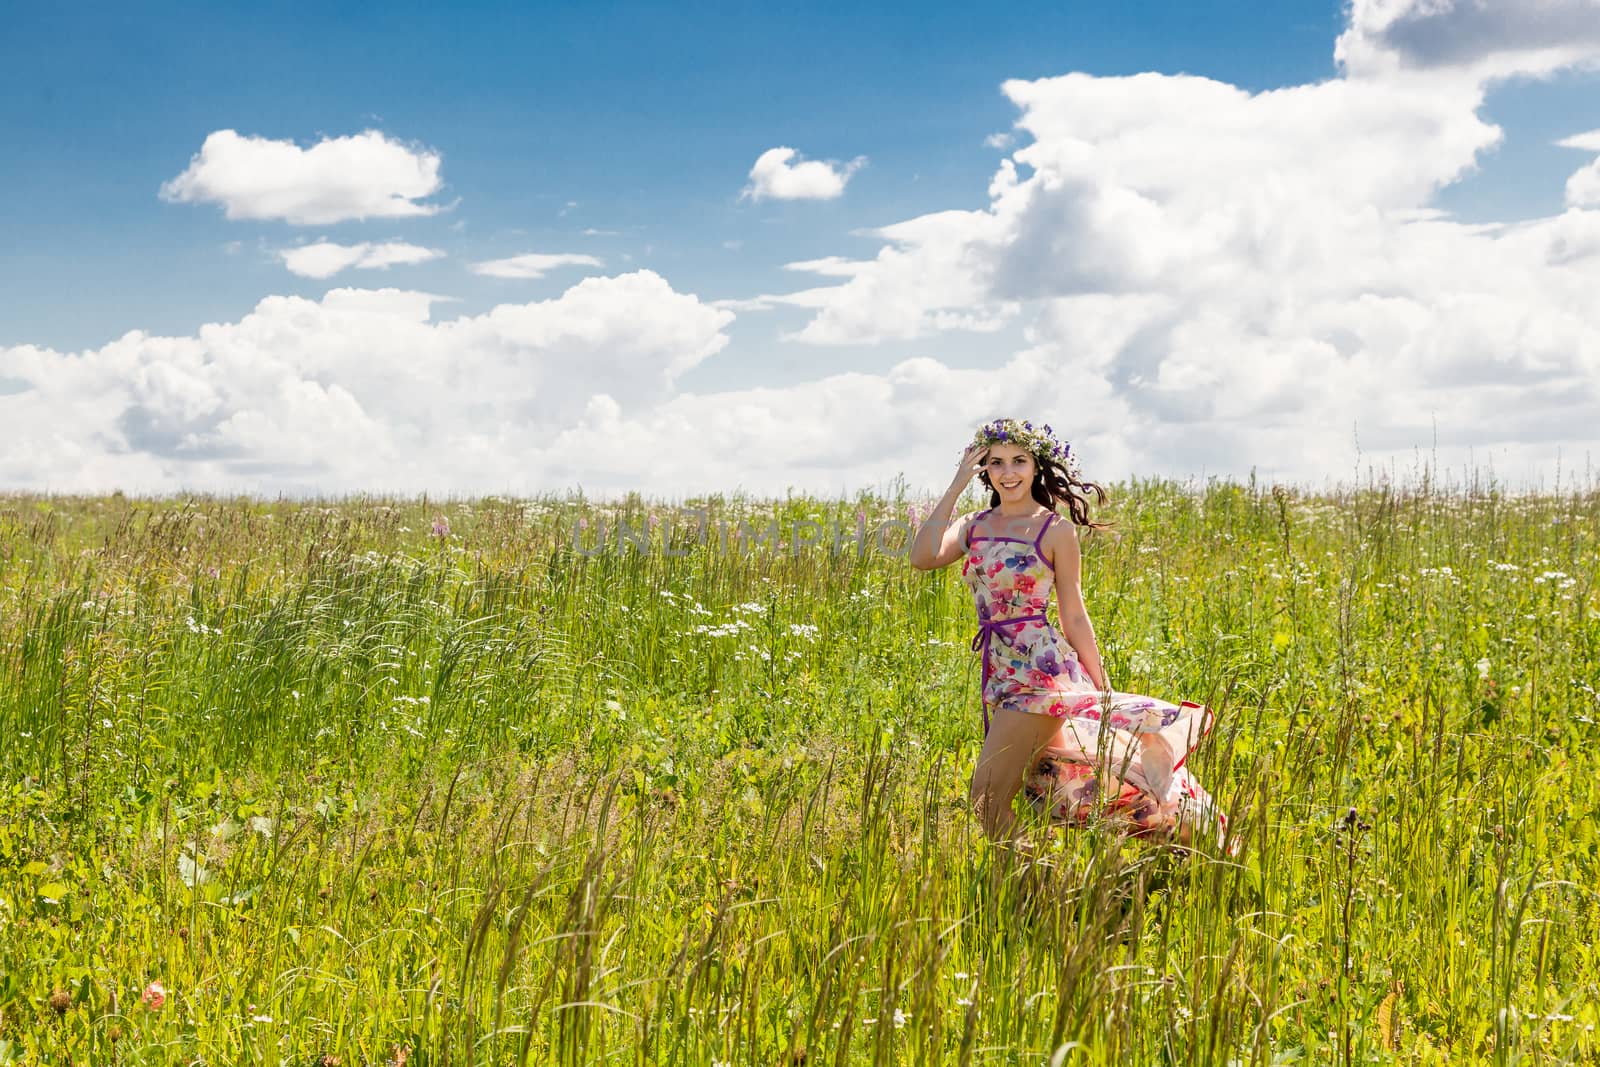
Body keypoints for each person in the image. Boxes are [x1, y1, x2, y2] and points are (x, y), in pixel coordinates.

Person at [909, 418, 1225, 849]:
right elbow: (923, 557)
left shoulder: (1053, 529)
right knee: (1054, 786)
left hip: (1039, 671)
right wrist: (956, 484)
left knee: (987, 797)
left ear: (1037, 466)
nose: (1008, 472)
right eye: (996, 463)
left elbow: (1073, 614)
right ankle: (1164, 839)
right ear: (984, 469)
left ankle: (1032, 890)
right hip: (999, 669)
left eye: (1019, 461)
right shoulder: (973, 524)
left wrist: (1102, 686)